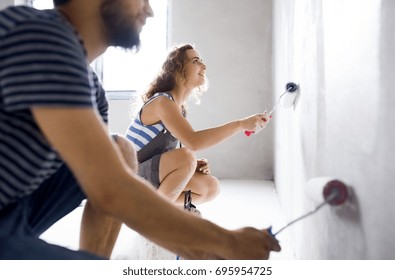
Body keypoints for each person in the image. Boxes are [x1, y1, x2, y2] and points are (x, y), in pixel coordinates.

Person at [0, 0, 280, 260]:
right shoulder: (39, 35)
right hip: (11, 216)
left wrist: (197, 244)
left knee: (118, 151)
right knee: (122, 169)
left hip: (16, 211)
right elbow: (110, 187)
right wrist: (224, 242)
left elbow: (109, 178)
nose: (149, 11)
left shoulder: (92, 89)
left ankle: (97, 262)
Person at [126, 44, 270, 212]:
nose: (204, 65)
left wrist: (190, 167)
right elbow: (193, 142)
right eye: (195, 61)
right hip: (127, 180)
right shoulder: (162, 102)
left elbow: (171, 153)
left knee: (210, 186)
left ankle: (154, 208)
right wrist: (240, 124)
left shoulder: (178, 108)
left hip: (144, 176)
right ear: (178, 70)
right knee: (186, 157)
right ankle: (155, 218)